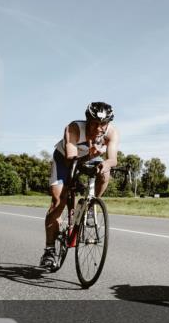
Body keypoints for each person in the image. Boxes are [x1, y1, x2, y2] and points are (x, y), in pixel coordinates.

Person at [40, 102, 120, 269]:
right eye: (95, 124)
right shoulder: (74, 128)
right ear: (87, 120)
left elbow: (112, 159)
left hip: (91, 157)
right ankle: (49, 250)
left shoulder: (112, 133)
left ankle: (90, 205)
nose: (99, 128)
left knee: (105, 175)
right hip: (65, 160)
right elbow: (71, 158)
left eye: (103, 124)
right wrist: (90, 155)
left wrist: (105, 165)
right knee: (58, 202)